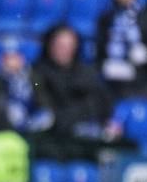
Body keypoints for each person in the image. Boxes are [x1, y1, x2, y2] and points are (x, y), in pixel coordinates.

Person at [32, 23, 121, 159]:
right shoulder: (37, 74)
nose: (65, 50)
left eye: (69, 45)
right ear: (49, 45)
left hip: (89, 139)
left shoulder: (88, 73)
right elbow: (45, 111)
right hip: (56, 140)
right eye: (60, 45)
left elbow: (104, 105)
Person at [96, 0, 147, 100]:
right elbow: (100, 46)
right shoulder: (106, 17)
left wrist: (145, 56)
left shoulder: (145, 17)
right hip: (111, 73)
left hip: (138, 76)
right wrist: (104, 64)